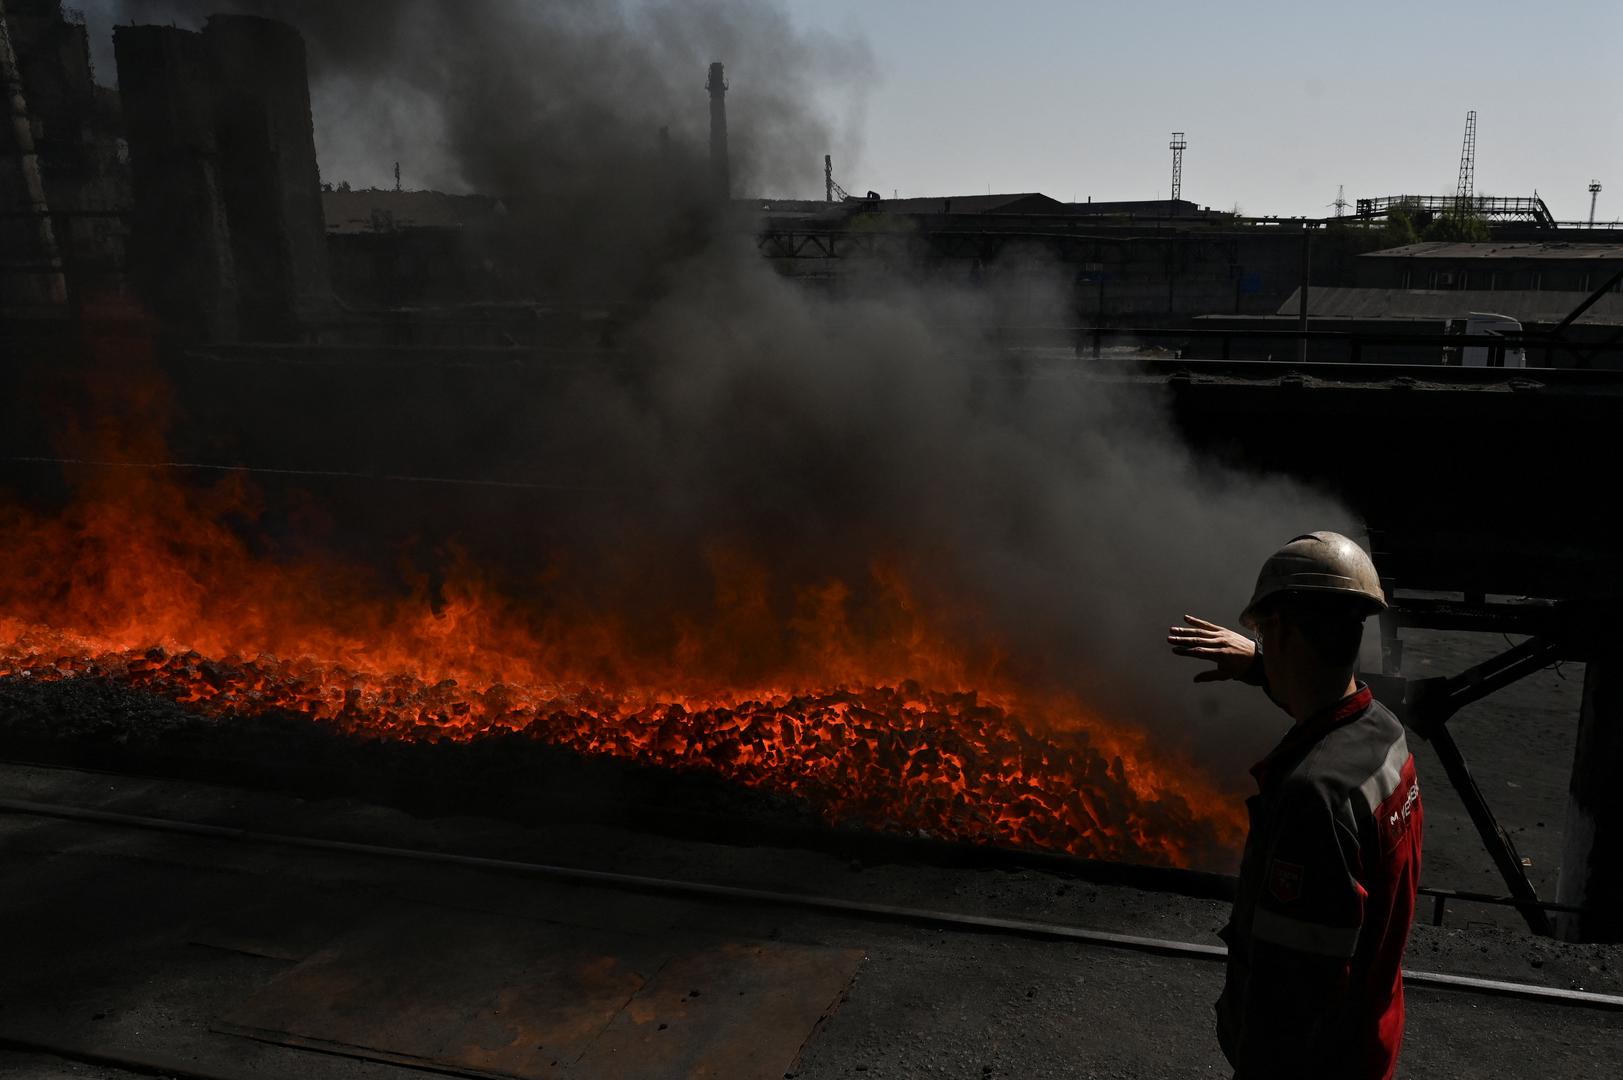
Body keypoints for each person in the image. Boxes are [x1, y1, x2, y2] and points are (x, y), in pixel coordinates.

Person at [1167, 531, 1423, 1080]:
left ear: (1280, 630)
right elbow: (1320, 697)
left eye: (1264, 631)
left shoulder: (1312, 799)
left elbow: (1293, 993)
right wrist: (1259, 661)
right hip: (1372, 1032)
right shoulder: (1384, 734)